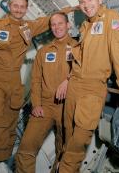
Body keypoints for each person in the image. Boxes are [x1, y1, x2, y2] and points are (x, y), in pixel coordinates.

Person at [0, 0, 75, 173]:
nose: (19, 9)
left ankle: (4, 160)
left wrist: (75, 7)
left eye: (22, 7)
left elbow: (50, 20)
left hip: (14, 79)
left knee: (12, 118)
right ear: (9, 6)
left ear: (26, 8)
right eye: (15, 5)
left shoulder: (28, 27)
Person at [58, 0, 119, 173]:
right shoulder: (85, 24)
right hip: (75, 86)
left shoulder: (112, 18)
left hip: (93, 88)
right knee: (67, 134)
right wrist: (74, 8)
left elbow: (116, 53)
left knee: (78, 142)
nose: (86, 5)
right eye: (82, 2)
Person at [15, 12, 77, 173]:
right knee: (25, 150)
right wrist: (36, 105)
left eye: (60, 23)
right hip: (45, 106)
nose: (56, 27)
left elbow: (87, 72)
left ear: (68, 25)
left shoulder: (79, 48)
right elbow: (35, 80)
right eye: (53, 24)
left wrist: (68, 80)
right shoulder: (43, 52)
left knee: (64, 154)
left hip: (69, 107)